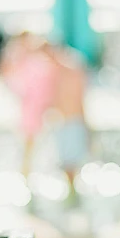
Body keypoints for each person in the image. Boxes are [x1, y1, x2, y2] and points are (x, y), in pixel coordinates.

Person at [0, 33, 58, 177]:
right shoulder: (21, 58)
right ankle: (26, 172)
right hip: (32, 105)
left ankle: (28, 172)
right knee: (30, 141)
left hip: (39, 104)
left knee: (35, 142)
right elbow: (5, 72)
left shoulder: (34, 58)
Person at [49, 46, 89, 194]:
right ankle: (72, 194)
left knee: (71, 165)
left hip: (70, 122)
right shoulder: (63, 75)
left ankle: (72, 194)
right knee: (70, 165)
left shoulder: (67, 74)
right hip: (67, 122)